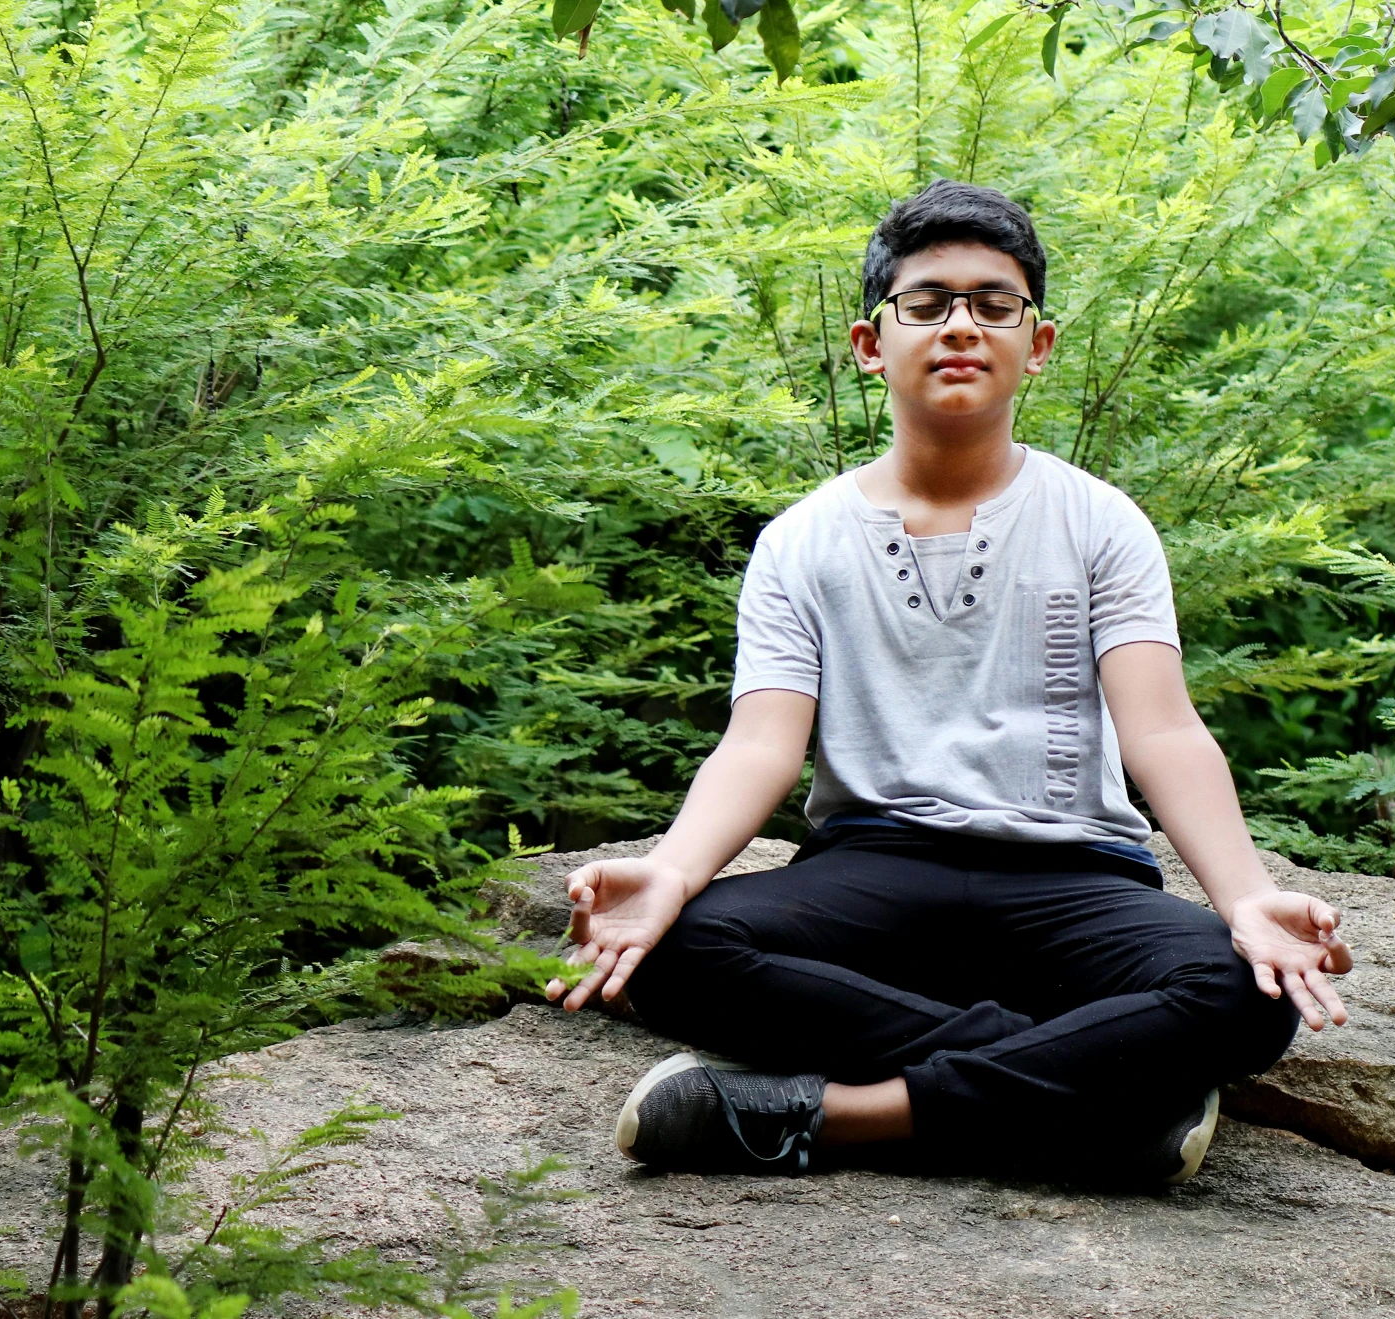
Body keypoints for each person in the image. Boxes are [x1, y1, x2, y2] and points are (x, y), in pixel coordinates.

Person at [543, 180, 1354, 1186]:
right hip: (876, 869)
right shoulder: (802, 540)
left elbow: (1164, 732)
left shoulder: (1101, 522)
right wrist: (669, 870)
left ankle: (842, 1117)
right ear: (870, 341)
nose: (960, 325)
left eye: (991, 303)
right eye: (926, 303)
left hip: (1075, 879)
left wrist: (1246, 895)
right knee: (668, 949)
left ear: (1037, 343)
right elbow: (760, 742)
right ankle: (1102, 1090)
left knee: (1252, 991)